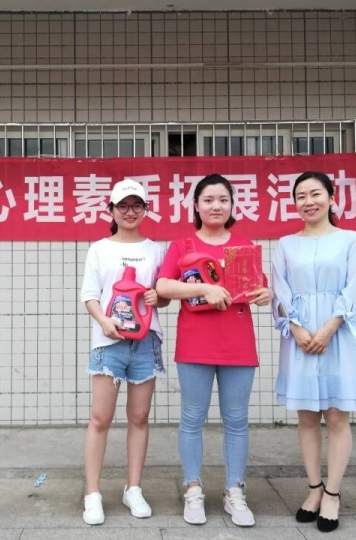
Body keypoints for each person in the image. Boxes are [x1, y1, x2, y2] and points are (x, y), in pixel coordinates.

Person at [155, 173, 273, 527]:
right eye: (208, 200)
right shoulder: (182, 246)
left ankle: (234, 491)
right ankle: (193, 488)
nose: (216, 206)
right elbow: (162, 286)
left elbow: (259, 287)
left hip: (238, 346)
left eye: (223, 199)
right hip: (195, 345)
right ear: (196, 205)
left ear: (233, 205)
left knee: (236, 420)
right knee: (193, 418)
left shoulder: (244, 246)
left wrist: (265, 294)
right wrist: (202, 290)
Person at [271, 171, 356, 533]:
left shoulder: (350, 240)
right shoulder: (285, 244)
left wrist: (330, 328)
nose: (308, 201)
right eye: (300, 196)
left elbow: (353, 288)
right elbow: (279, 292)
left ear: (332, 198)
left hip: (338, 335)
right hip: (299, 337)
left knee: (336, 417)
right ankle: (313, 488)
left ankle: (333, 492)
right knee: (306, 418)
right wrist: (297, 330)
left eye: (315, 194)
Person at [80, 178, 170, 526]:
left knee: (139, 418)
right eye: (123, 206)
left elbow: (163, 295)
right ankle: (92, 494)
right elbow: (90, 295)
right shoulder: (99, 249)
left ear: (145, 210)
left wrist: (157, 297)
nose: (130, 212)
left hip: (146, 343)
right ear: (111, 210)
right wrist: (104, 321)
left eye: (136, 205)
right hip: (109, 342)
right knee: (100, 419)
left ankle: (133, 489)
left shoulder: (156, 249)